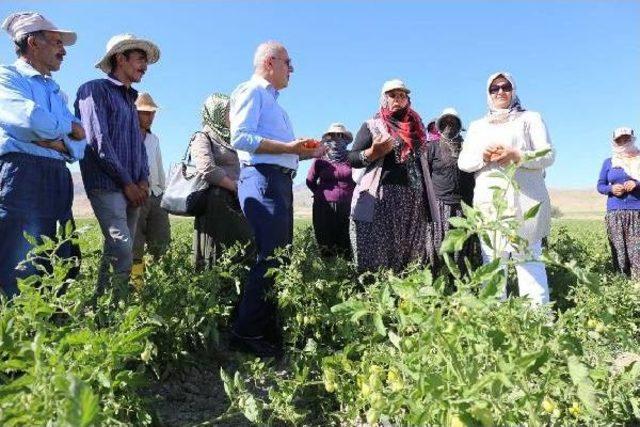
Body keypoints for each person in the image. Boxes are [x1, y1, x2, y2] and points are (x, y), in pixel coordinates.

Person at [229, 40, 323, 357]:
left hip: (276, 180)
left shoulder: (275, 104)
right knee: (271, 257)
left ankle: (263, 328)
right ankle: (246, 332)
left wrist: (304, 153)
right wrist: (290, 148)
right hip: (262, 179)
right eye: (288, 63)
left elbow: (283, 153)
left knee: (279, 258)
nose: (291, 69)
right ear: (270, 62)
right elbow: (240, 138)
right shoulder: (251, 91)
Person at [0, 12, 86, 298]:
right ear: (33, 43)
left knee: (60, 257)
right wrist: (68, 130)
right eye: (57, 42)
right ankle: (22, 335)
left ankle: (54, 329)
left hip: (57, 177)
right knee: (22, 263)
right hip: (23, 173)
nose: (63, 51)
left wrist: (61, 142)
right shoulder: (8, 77)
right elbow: (30, 121)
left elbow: (81, 143)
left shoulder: (56, 92)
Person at [458, 71, 555, 306]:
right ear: (488, 94)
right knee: (492, 263)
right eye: (494, 88)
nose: (500, 92)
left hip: (525, 203)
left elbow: (548, 154)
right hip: (490, 205)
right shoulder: (477, 126)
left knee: (529, 262)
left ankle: (538, 324)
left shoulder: (530, 118)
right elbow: (464, 162)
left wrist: (517, 155)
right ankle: (494, 321)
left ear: (513, 90)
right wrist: (482, 155)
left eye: (505, 87)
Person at [75, 33, 160, 295]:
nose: (145, 67)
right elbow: (98, 141)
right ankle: (110, 312)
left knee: (120, 248)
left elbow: (138, 147)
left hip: (134, 187)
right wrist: (127, 183)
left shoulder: (130, 99)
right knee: (121, 245)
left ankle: (110, 309)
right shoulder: (93, 90)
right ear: (120, 58)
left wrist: (143, 179)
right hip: (108, 185)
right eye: (140, 59)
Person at [348, 79, 440, 272]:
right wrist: (373, 152)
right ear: (384, 99)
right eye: (392, 95)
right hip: (383, 198)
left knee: (411, 253)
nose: (398, 99)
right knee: (381, 252)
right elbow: (352, 158)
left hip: (414, 199)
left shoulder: (417, 128)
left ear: (408, 99)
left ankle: (406, 298)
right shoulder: (372, 126)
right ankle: (379, 297)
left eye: (402, 95)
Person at [192, 93, 254, 269]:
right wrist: (234, 186)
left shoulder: (233, 138)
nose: (233, 115)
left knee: (242, 251)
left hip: (238, 200)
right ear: (216, 112)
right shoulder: (203, 136)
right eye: (228, 111)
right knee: (218, 254)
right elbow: (206, 168)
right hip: (218, 202)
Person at [424, 108, 478, 271]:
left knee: (462, 247)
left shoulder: (469, 147)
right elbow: (424, 176)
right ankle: (439, 281)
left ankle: (459, 285)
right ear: (440, 126)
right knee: (439, 247)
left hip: (465, 206)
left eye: (453, 122)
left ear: (459, 126)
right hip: (440, 205)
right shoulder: (431, 147)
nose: (449, 126)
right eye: (445, 123)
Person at [131, 92, 170, 282]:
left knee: (161, 242)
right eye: (145, 113)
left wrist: (162, 192)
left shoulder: (154, 140)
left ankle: (160, 286)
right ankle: (137, 288)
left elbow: (159, 167)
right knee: (135, 247)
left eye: (152, 113)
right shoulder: (126, 137)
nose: (150, 117)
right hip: (135, 196)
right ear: (134, 112)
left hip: (156, 194)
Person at [306, 123, 355, 258]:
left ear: (345, 138)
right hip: (323, 206)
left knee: (346, 242)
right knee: (325, 240)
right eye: (332, 135)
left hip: (348, 206)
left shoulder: (351, 158)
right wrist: (321, 194)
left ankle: (346, 275)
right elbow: (310, 181)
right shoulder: (320, 159)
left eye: (339, 135)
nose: (335, 139)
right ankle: (328, 274)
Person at [597, 127, 640, 278]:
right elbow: (600, 185)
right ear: (614, 142)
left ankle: (637, 284)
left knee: (637, 251)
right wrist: (611, 189)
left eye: (626, 139)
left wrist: (636, 184)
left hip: (637, 211)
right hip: (615, 212)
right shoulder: (609, 162)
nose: (623, 142)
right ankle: (622, 282)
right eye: (619, 140)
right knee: (619, 250)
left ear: (632, 139)